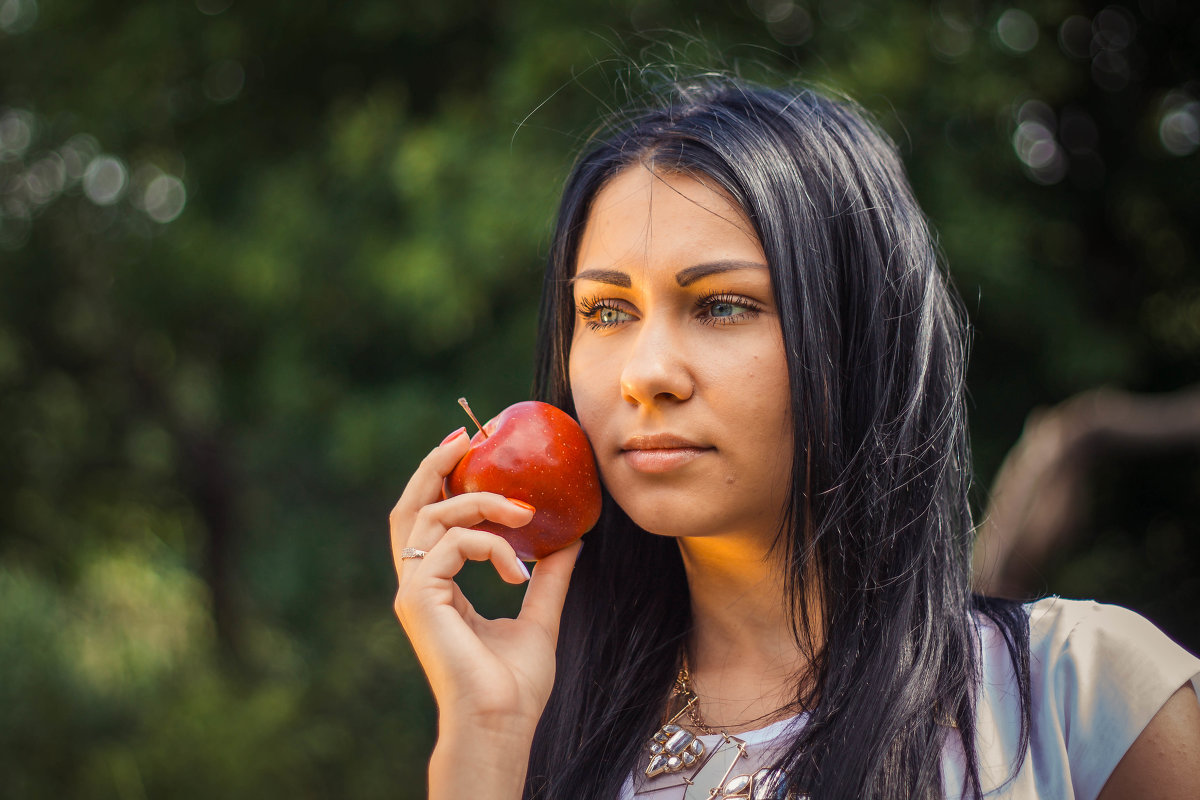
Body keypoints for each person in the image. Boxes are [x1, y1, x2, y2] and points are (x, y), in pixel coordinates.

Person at [389, 76, 1200, 800]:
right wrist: (486, 736)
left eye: (722, 304)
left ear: (854, 336)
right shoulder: (533, 734)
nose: (647, 373)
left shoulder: (1078, 701)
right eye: (607, 312)